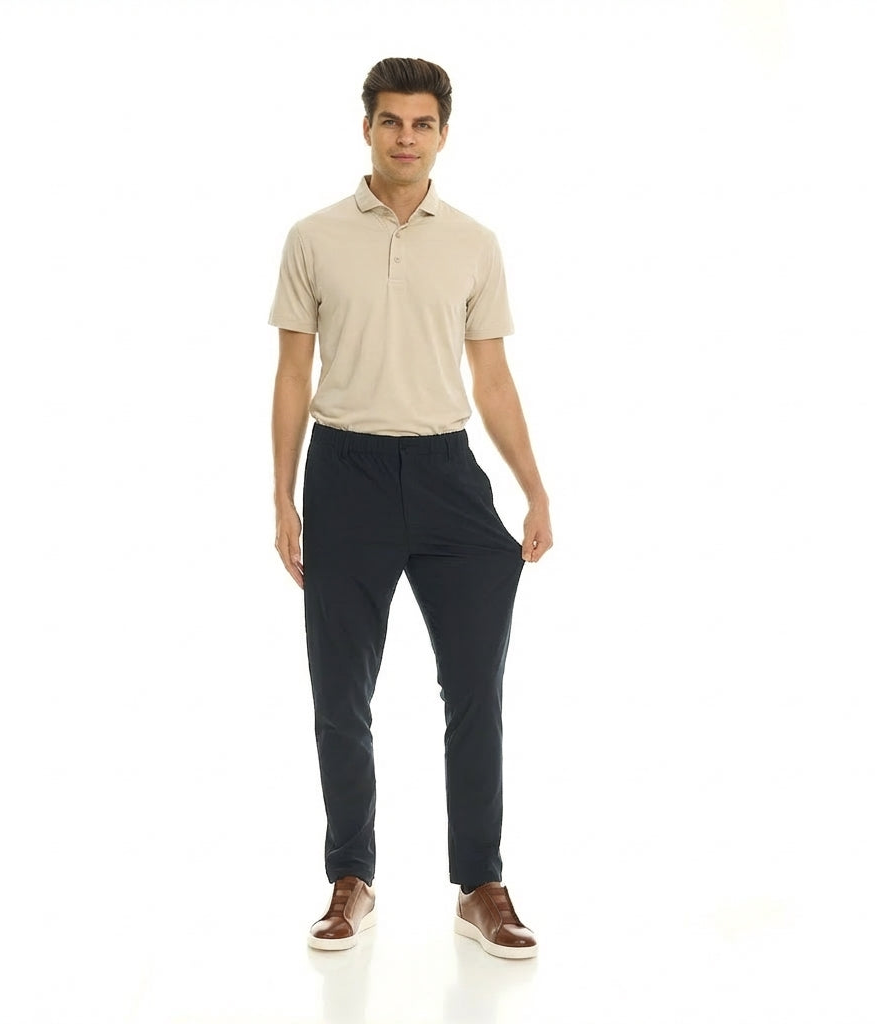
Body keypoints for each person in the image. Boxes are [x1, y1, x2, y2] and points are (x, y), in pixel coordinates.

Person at [269, 56, 552, 960]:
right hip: (344, 471)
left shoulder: (473, 242)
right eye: (390, 121)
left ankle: (482, 886)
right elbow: (293, 372)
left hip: (447, 475)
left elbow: (492, 378)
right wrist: (282, 494)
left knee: (475, 690)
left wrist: (535, 488)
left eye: (422, 123)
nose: (406, 137)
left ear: (443, 134)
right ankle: (350, 880)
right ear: (367, 129)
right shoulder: (313, 237)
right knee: (339, 691)